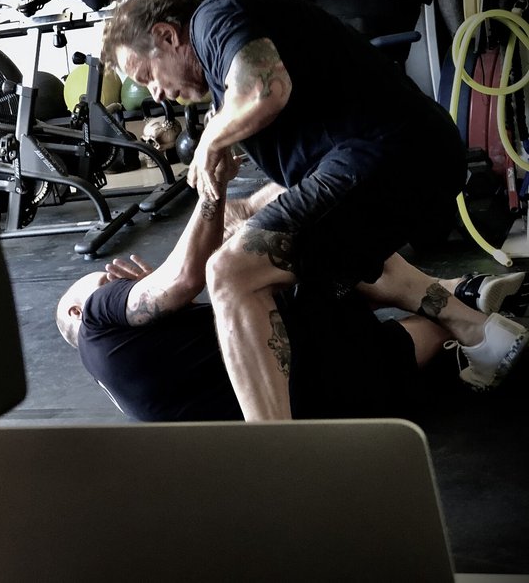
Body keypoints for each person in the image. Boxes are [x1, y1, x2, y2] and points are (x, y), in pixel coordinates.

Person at [99, 0, 510, 420]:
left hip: (391, 154)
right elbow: (297, 169)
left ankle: (277, 450)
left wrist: (210, 142)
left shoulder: (213, 18)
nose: (155, 94)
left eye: (147, 76)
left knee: (231, 273)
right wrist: (238, 206)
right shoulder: (222, 68)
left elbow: (265, 90)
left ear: (166, 36)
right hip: (402, 159)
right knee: (283, 250)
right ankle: (483, 334)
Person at [55, 166, 529, 422]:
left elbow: (209, 325)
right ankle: (465, 307)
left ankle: (465, 304)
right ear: (77, 309)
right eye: (104, 277)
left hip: (337, 407)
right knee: (286, 236)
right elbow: (184, 280)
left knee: (409, 339)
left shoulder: (130, 389)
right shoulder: (94, 317)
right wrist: (212, 188)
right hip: (304, 350)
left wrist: (150, 296)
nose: (113, 278)